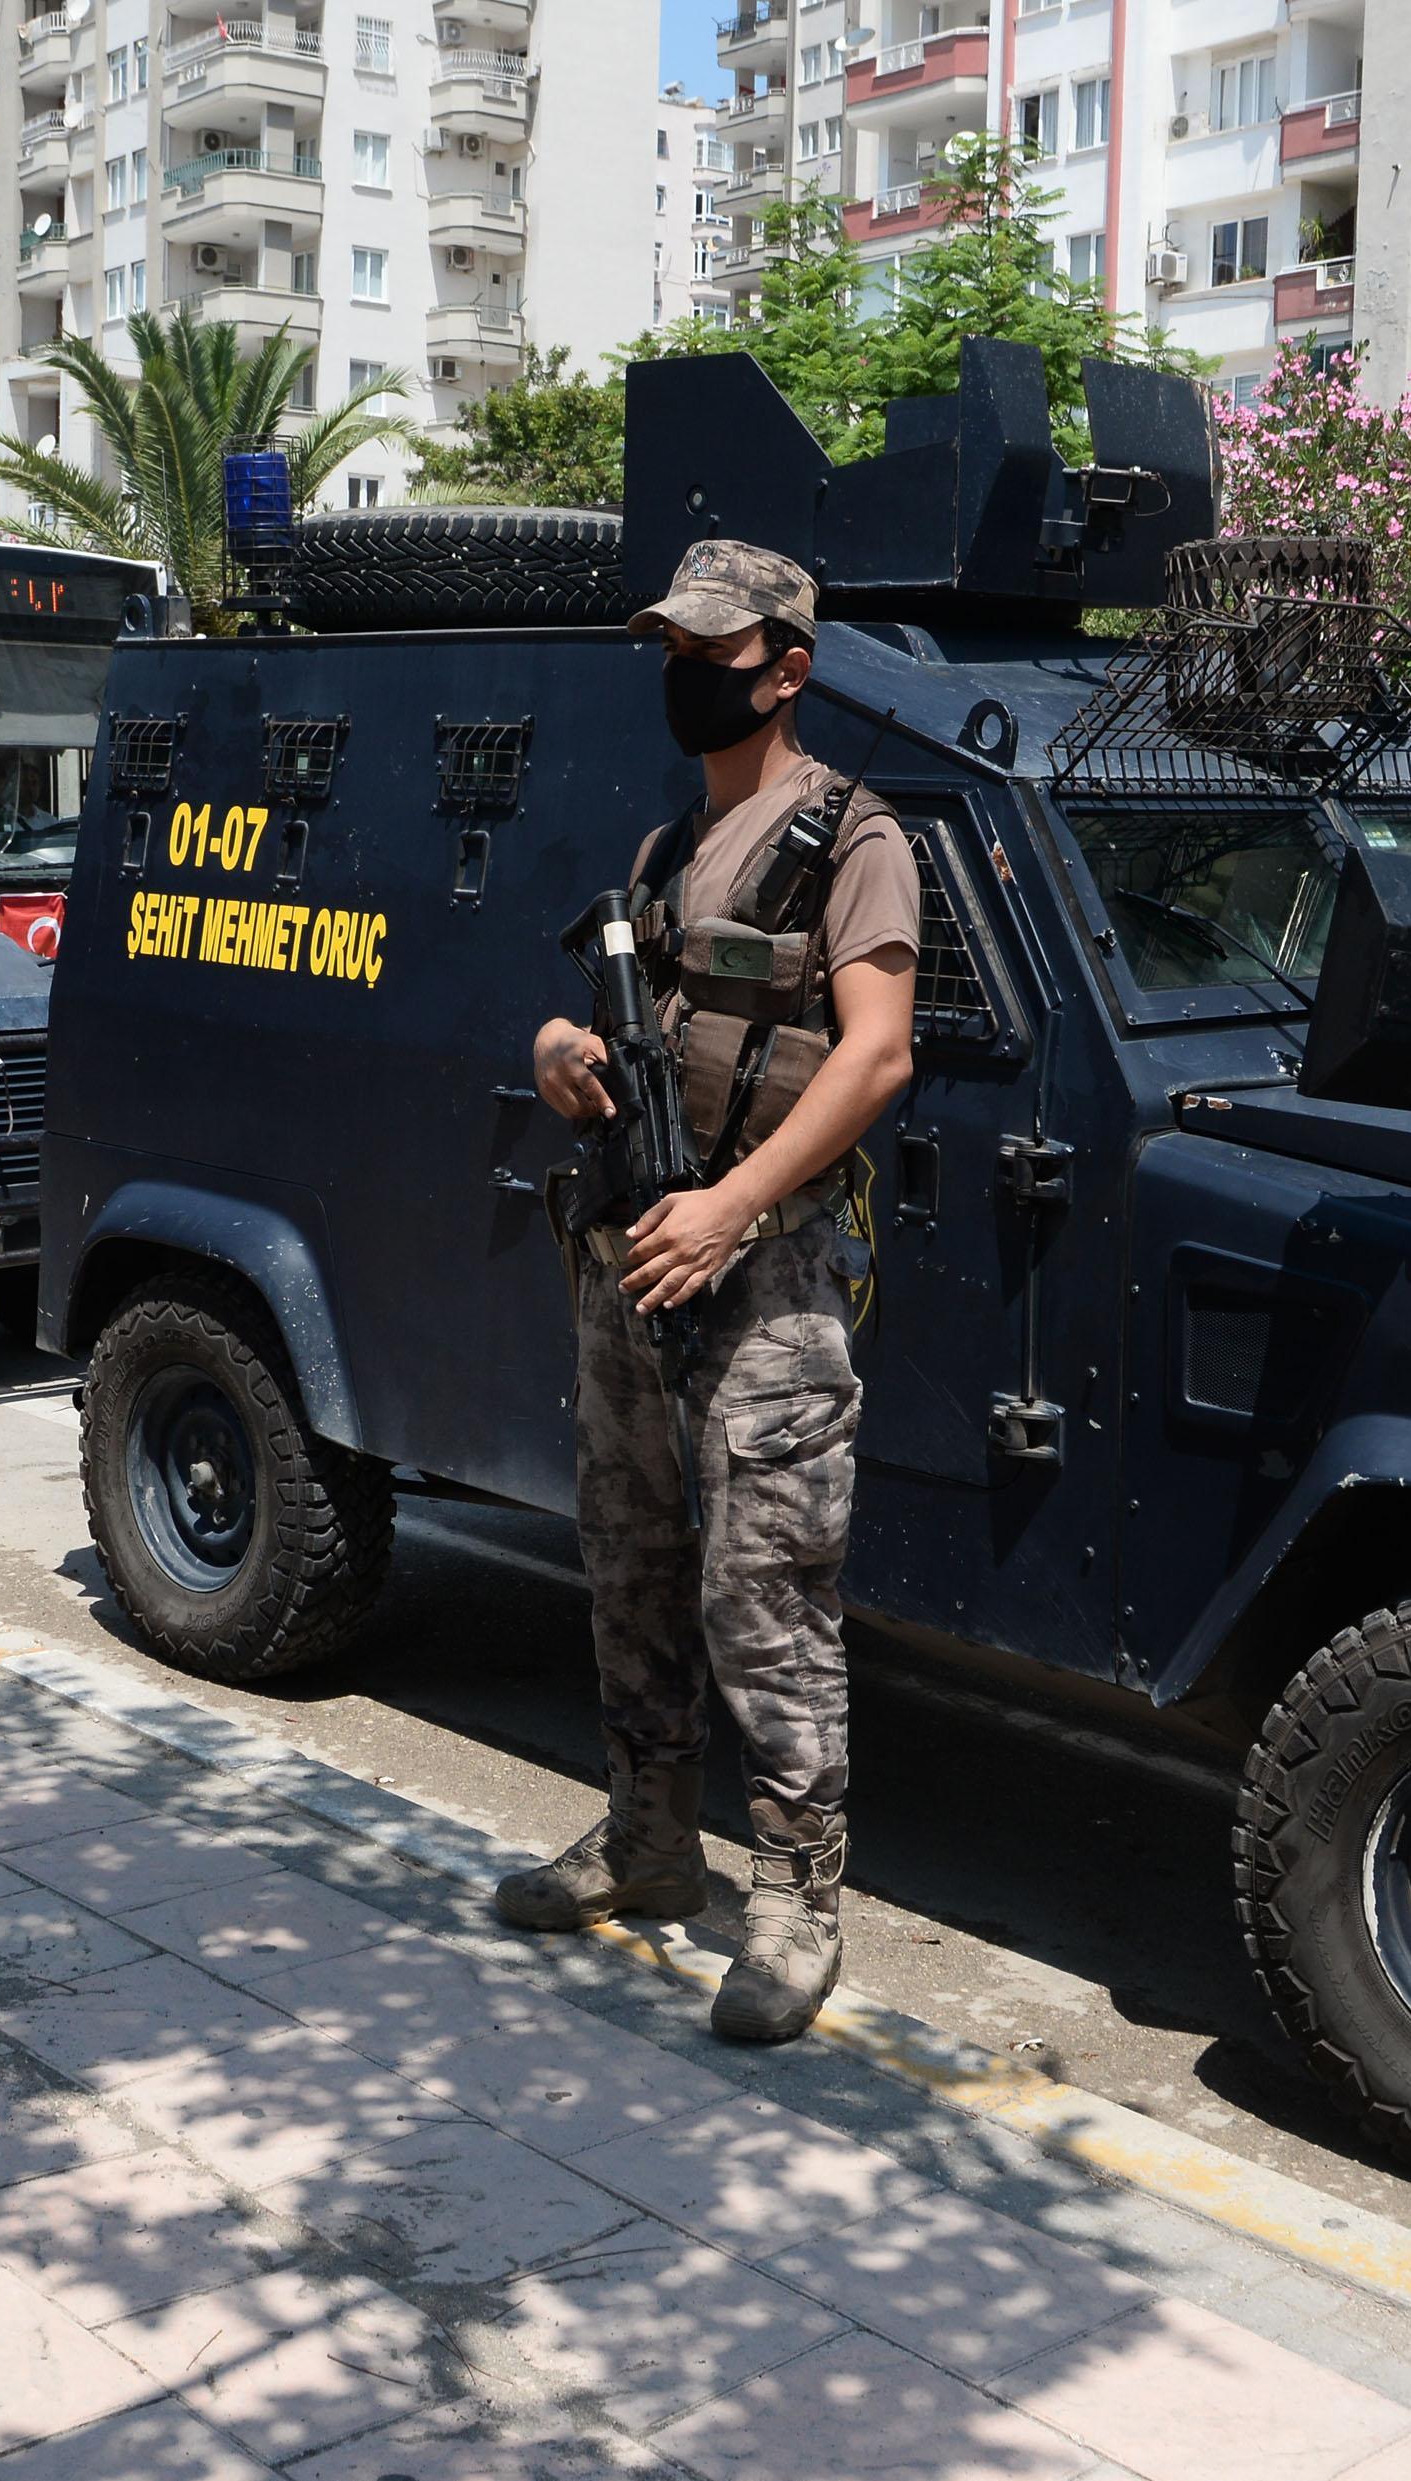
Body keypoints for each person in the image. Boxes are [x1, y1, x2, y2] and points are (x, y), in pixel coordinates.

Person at [496, 540, 921, 2045]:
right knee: (628, 1555)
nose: (688, 671)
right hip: (630, 1253)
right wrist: (562, 1050)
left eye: (714, 648)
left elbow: (877, 1054)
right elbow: (627, 1020)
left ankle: (798, 1902)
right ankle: (651, 1838)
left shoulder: (856, 837)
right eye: (675, 646)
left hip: (768, 1268)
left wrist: (736, 1207)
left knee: (768, 1592)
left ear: (786, 665)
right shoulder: (671, 847)